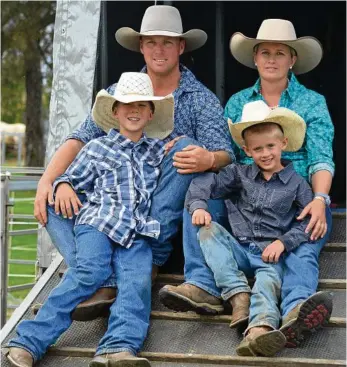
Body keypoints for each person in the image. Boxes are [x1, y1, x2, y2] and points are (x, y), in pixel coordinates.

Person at [33, 4, 234, 320]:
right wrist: (49, 181)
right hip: (114, 203)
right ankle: (103, 279)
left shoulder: (200, 98)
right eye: (151, 41)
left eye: (167, 42)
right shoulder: (120, 92)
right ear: (141, 46)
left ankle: (149, 258)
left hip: (159, 208)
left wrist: (208, 158)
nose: (159, 49)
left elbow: (226, 154)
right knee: (50, 198)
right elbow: (80, 138)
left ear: (181, 47)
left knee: (186, 148)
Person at [161, 18, 335, 347]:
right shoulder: (238, 102)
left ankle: (298, 307)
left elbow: (321, 158)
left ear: (292, 59)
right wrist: (196, 154)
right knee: (200, 187)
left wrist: (320, 198)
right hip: (246, 196)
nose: (271, 59)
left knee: (306, 234)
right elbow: (226, 155)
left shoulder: (312, 103)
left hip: (295, 196)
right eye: (264, 52)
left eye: (280, 52)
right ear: (255, 57)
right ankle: (203, 285)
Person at [5, 72, 175, 367]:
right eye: (126, 105)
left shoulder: (158, 151)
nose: (133, 111)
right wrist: (64, 185)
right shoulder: (97, 148)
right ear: (115, 112)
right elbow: (70, 177)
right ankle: (29, 342)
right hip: (98, 224)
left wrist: (185, 146)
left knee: (136, 283)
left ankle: (118, 346)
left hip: (136, 232)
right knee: (87, 272)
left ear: (150, 113)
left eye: (141, 106)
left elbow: (179, 159)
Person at [185, 100, 333, 357]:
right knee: (207, 230)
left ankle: (258, 331)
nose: (265, 153)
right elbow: (206, 181)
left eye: (270, 146)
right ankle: (237, 294)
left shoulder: (297, 183)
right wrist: (199, 206)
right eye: (257, 149)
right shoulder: (238, 174)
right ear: (247, 150)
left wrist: (283, 243)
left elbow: (307, 222)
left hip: (269, 253)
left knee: (266, 285)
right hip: (240, 248)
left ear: (283, 144)